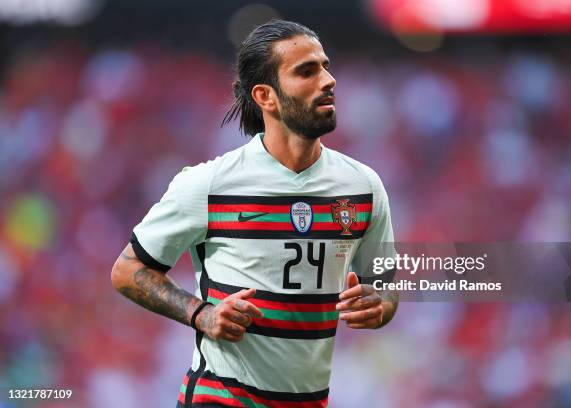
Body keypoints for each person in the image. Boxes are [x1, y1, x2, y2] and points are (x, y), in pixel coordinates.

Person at [111, 20, 398, 408]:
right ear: (266, 96)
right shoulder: (209, 184)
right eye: (306, 71)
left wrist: (380, 305)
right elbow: (128, 270)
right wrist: (201, 314)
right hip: (220, 398)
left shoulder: (363, 187)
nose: (328, 80)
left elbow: (384, 286)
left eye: (326, 66)